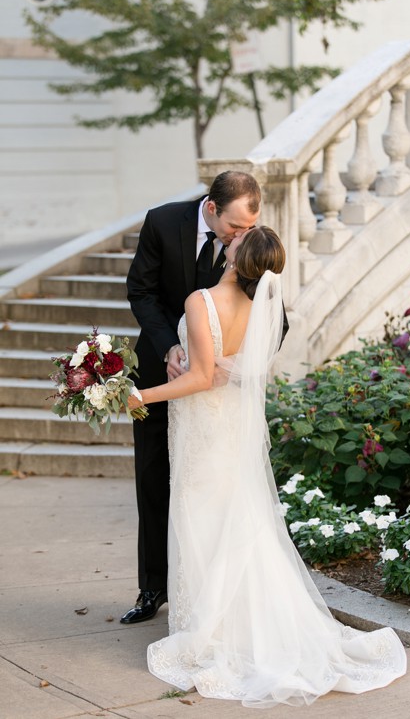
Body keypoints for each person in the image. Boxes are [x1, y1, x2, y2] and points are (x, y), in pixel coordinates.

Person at [127, 227, 407, 706]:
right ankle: (233, 619)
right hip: (230, 426)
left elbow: (200, 377)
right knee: (235, 517)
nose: (229, 240)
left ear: (236, 257)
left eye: (236, 240)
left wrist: (140, 395)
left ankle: (211, 631)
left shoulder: (201, 300)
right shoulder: (261, 308)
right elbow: (216, 370)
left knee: (201, 518)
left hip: (203, 428)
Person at [123, 170, 261, 624]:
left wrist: (239, 365)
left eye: (247, 229)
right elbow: (140, 291)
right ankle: (153, 588)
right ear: (211, 208)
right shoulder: (162, 223)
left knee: (208, 489)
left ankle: (212, 593)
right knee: (153, 477)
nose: (241, 237)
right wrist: (170, 346)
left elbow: (273, 319)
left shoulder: (250, 241)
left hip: (214, 392)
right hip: (162, 368)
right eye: (234, 228)